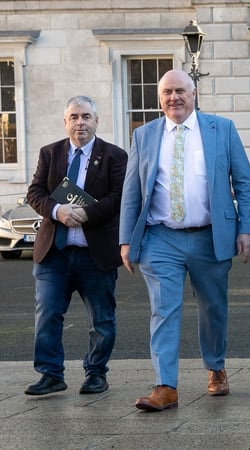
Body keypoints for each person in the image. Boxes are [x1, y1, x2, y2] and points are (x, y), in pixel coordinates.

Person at [119, 69, 250, 412]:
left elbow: (243, 181)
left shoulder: (220, 129)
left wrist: (247, 228)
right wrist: (126, 240)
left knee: (213, 307)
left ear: (194, 94)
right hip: (160, 238)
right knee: (164, 310)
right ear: (159, 97)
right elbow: (131, 192)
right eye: (167, 92)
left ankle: (215, 367)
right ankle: (165, 386)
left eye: (181, 90)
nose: (174, 98)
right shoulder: (144, 134)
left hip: (210, 237)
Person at [24, 95, 127, 396]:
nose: (80, 122)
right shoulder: (50, 153)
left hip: (95, 255)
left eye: (86, 116)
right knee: (47, 314)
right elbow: (35, 192)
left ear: (96, 120)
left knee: (101, 319)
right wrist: (57, 211)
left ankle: (96, 373)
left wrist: (86, 213)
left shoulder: (114, 156)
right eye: (74, 117)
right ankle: (50, 374)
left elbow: (120, 196)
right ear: (65, 121)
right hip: (53, 253)